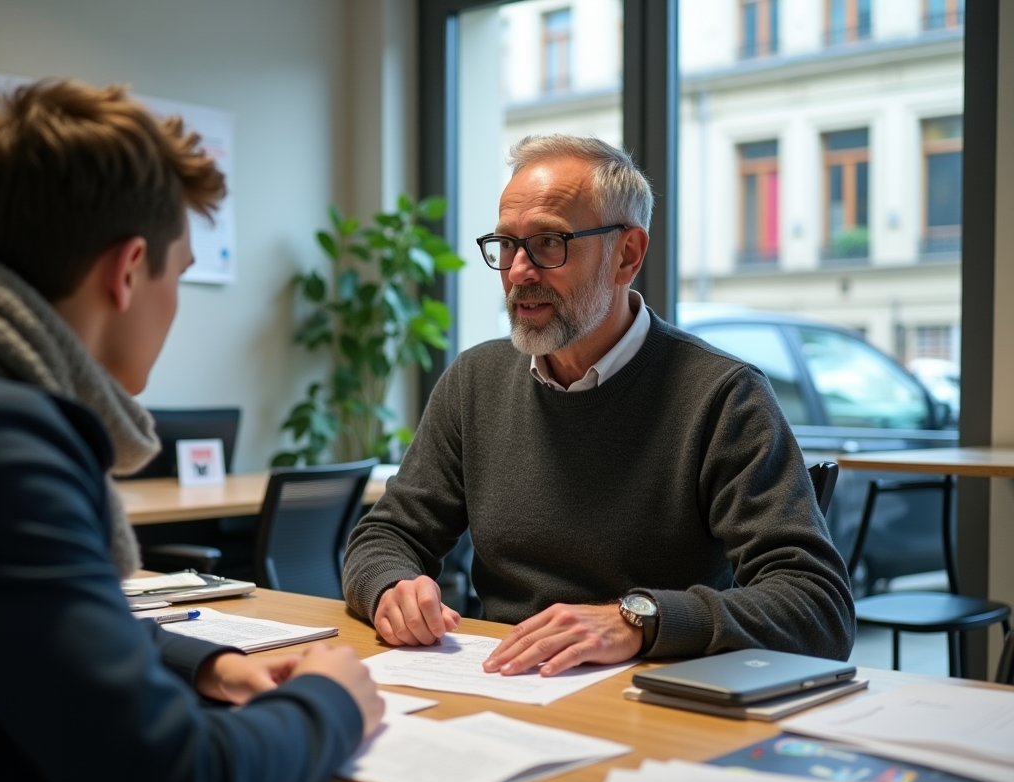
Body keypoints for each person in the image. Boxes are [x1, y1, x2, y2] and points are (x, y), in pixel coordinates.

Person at [0, 80, 381, 782]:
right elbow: (174, 780)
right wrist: (329, 703)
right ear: (126, 271)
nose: (173, 301)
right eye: (177, 274)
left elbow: (27, 631)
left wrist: (204, 662)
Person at [342, 134, 855, 678]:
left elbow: (817, 606)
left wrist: (639, 621)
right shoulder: (476, 380)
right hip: (503, 682)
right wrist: (391, 587)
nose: (518, 272)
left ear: (626, 255)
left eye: (548, 243)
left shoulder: (723, 395)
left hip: (653, 697)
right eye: (507, 244)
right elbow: (386, 534)